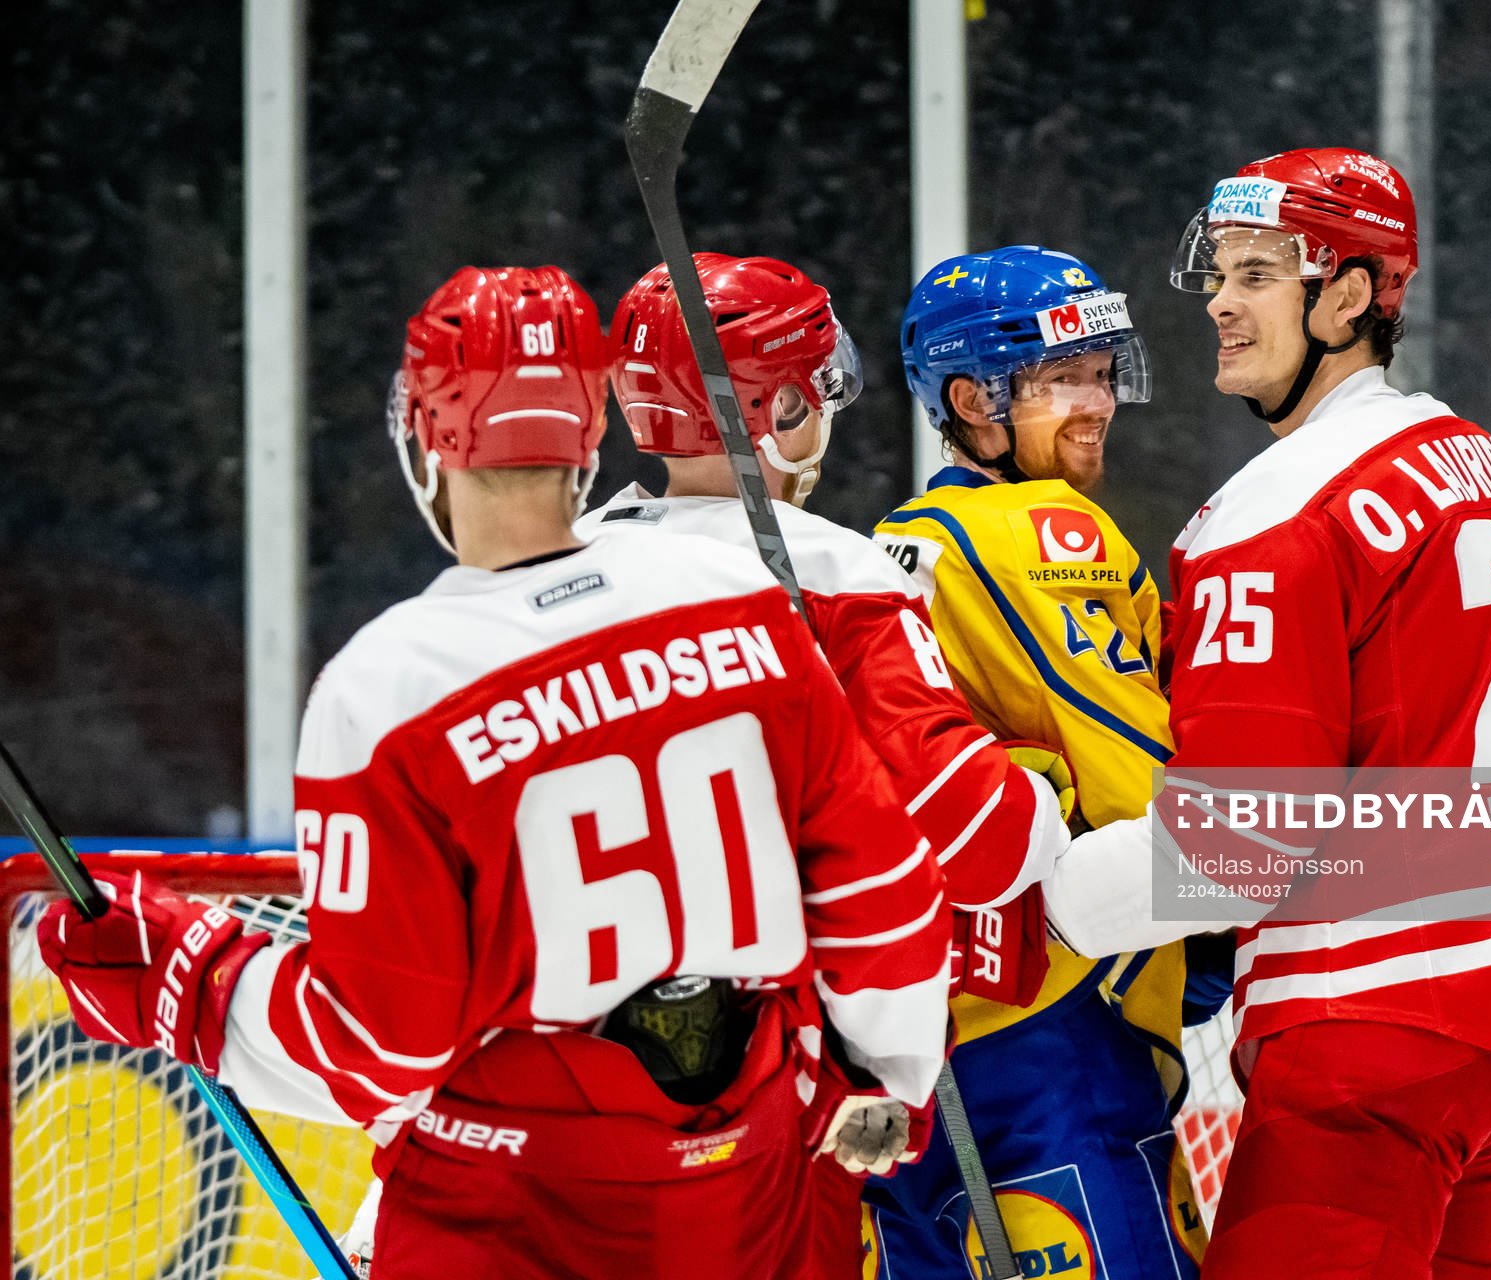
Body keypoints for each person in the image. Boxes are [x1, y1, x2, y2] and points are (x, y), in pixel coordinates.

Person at [35, 266, 950, 1280]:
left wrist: (186, 974)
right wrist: (892, 1073)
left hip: (520, 1196)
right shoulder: (741, 601)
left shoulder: (391, 684)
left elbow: (380, 1045)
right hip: (747, 1165)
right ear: (590, 432)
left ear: (428, 438)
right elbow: (884, 888)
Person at [1042, 149, 1491, 1279]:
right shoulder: (1475, 457)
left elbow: (1243, 842)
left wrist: (1038, 899)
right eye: (1220, 274)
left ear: (1350, 295)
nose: (1220, 303)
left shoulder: (1273, 511)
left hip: (1380, 1023)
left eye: (1257, 274)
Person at [583, 251, 1083, 1275]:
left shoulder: (552, 569)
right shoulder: (833, 573)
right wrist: (1043, 797)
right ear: (788, 403)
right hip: (758, 1090)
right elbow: (983, 841)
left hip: (561, 1082)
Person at [871, 245, 1229, 1280]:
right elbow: (1145, 784)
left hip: (926, 1044)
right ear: (975, 395)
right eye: (1063, 376)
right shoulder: (1040, 527)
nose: (1099, 400)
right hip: (1057, 1035)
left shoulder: (893, 540)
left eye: (1104, 371)